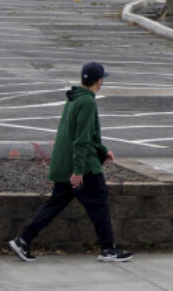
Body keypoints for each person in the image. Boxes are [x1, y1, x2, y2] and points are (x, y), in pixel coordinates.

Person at [8, 62, 132, 263]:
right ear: (99, 81)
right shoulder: (88, 103)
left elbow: (84, 134)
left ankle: (23, 239)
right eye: (102, 79)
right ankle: (108, 249)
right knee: (99, 204)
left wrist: (102, 150)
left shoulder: (74, 99)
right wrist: (79, 171)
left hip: (66, 163)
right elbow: (82, 139)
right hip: (83, 167)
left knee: (55, 204)